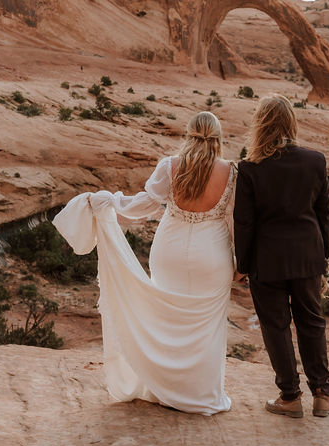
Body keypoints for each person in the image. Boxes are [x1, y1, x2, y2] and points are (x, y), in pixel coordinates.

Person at [53, 111, 235, 414]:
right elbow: (233, 221)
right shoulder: (232, 172)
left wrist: (108, 201)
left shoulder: (170, 166)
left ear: (188, 134)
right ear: (218, 137)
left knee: (166, 319)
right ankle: (201, 395)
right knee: (208, 326)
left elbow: (143, 206)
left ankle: (165, 390)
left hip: (170, 251)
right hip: (211, 255)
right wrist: (241, 263)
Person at [234, 95, 329, 418]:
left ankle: (290, 397)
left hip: (268, 260)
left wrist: (242, 265)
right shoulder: (314, 161)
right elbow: (324, 214)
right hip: (307, 257)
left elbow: (244, 222)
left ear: (260, 124)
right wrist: (325, 256)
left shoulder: (250, 168)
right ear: (291, 123)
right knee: (312, 322)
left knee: (276, 326)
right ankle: (322, 395)